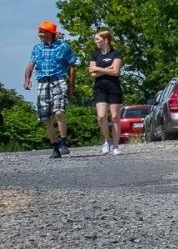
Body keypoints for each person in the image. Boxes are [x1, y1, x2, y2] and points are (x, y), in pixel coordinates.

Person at [23, 20, 78, 158]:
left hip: (58, 80)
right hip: (42, 81)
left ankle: (64, 142)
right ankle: (55, 146)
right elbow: (31, 64)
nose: (39, 34)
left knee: (59, 112)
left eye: (41, 31)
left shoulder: (63, 47)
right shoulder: (37, 48)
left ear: (50, 33)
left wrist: (71, 87)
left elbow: (72, 66)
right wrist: (27, 79)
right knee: (45, 117)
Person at [88, 29, 125, 155]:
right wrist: (107, 68)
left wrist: (99, 69)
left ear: (105, 40)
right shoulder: (95, 54)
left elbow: (116, 72)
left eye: (97, 39)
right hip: (100, 87)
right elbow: (92, 74)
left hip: (114, 87)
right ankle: (107, 140)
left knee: (115, 117)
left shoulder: (116, 54)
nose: (96, 42)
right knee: (101, 116)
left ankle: (115, 145)